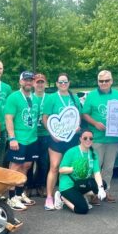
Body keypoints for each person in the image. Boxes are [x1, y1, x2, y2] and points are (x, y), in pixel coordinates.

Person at [82, 70, 118, 205]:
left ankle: (106, 191)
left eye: (106, 80)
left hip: (113, 139)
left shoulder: (117, 94)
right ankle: (93, 193)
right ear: (98, 82)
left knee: (109, 168)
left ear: (111, 81)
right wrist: (95, 123)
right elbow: (85, 114)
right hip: (97, 138)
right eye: (101, 81)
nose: (104, 83)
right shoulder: (92, 95)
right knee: (95, 167)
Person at [42, 73, 81, 210]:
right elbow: (45, 118)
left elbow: (78, 116)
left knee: (71, 168)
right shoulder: (51, 98)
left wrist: (77, 127)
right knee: (54, 167)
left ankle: (68, 195)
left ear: (69, 83)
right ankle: (49, 197)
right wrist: (52, 133)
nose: (63, 84)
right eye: (60, 82)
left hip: (72, 138)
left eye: (65, 82)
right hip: (56, 139)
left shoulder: (74, 97)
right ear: (57, 84)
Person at [4, 71, 40, 211]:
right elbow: (8, 118)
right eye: (25, 80)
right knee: (15, 167)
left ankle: (19, 194)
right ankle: (11, 197)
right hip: (18, 139)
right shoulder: (13, 97)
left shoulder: (35, 98)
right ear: (20, 82)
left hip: (32, 139)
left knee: (26, 166)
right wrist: (12, 138)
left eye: (30, 80)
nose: (28, 82)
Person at [53, 129, 107, 214]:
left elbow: (96, 173)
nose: (88, 140)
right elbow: (61, 170)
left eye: (90, 138)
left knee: (103, 184)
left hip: (81, 182)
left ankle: (80, 196)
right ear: (80, 139)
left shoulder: (93, 154)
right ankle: (61, 197)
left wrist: (101, 188)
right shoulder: (72, 152)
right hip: (68, 185)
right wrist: (74, 168)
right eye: (85, 138)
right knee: (82, 209)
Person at [27, 73, 50, 198]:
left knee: (43, 162)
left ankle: (41, 185)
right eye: (37, 82)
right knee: (29, 161)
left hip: (45, 134)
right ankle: (28, 186)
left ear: (45, 83)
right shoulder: (29, 97)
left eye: (42, 82)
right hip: (32, 134)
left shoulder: (50, 98)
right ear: (33, 84)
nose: (40, 84)